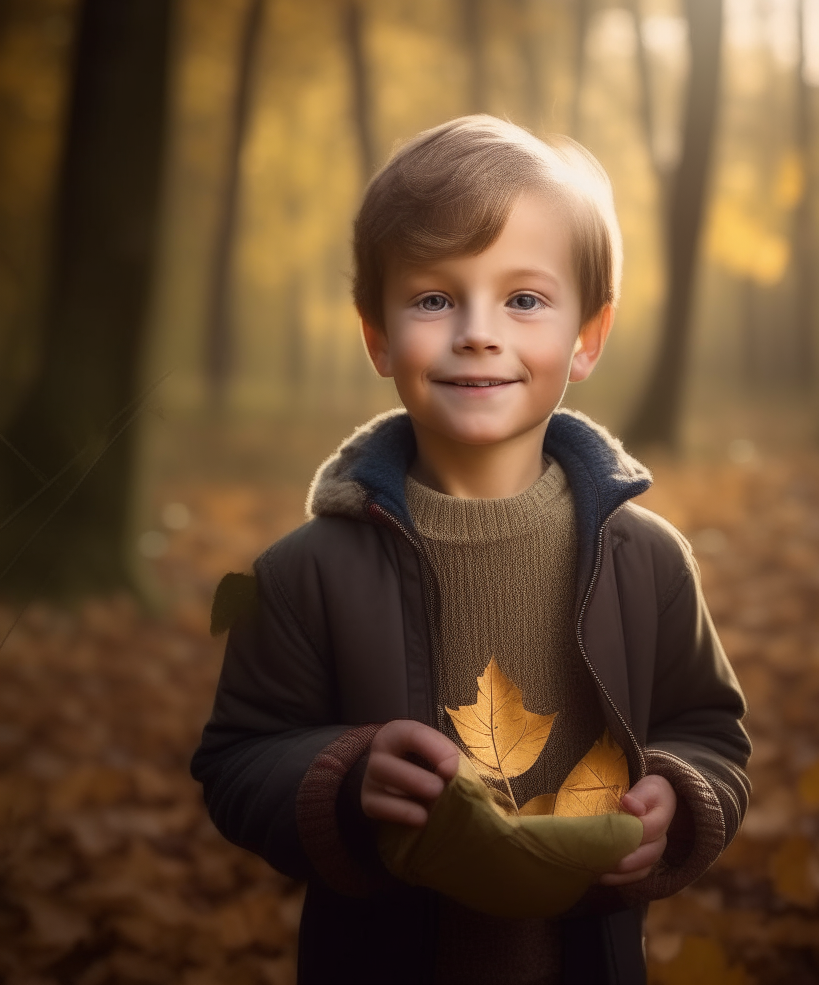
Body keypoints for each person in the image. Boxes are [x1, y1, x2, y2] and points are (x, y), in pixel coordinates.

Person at [191, 115, 750, 985]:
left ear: (588, 338)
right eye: (433, 298)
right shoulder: (303, 574)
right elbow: (236, 761)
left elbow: (708, 729)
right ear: (378, 335)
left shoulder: (647, 563)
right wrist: (343, 778)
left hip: (587, 962)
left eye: (523, 299)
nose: (477, 331)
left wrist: (677, 796)